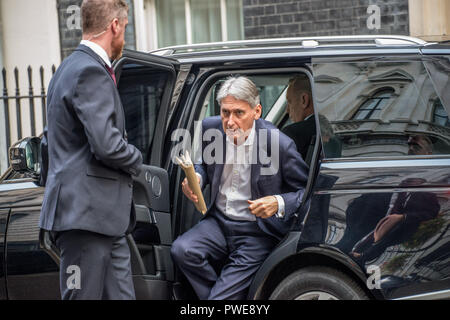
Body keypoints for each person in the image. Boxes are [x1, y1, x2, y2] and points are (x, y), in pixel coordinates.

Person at [39, 0, 142, 300]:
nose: (124, 34)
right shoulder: (90, 71)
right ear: (115, 26)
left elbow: (50, 142)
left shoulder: (68, 68)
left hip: (106, 222)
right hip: (85, 221)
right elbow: (107, 146)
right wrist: (137, 160)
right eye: (125, 27)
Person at [170, 76, 309, 300]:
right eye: (225, 112)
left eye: (239, 113)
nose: (230, 121)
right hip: (218, 222)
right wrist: (197, 176)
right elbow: (204, 164)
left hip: (256, 232)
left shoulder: (279, 143)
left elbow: (305, 193)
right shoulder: (211, 128)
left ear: (257, 111)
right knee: (182, 250)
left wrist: (279, 202)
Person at [281, 75, 316, 161]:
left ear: (304, 100)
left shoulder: (293, 133)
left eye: (290, 102)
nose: (287, 110)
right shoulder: (329, 129)